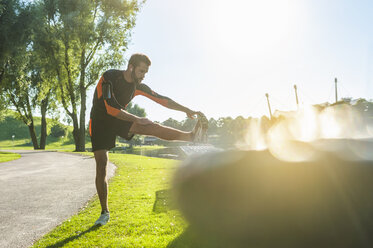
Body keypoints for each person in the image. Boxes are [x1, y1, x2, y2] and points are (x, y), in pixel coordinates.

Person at [89, 53, 208, 225]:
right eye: (141, 71)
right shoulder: (109, 77)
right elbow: (111, 108)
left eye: (146, 72)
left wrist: (186, 110)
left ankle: (190, 136)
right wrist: (137, 119)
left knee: (152, 127)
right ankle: (104, 212)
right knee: (101, 165)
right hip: (100, 121)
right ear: (131, 67)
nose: (144, 75)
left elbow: (162, 100)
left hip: (119, 120)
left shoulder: (138, 86)